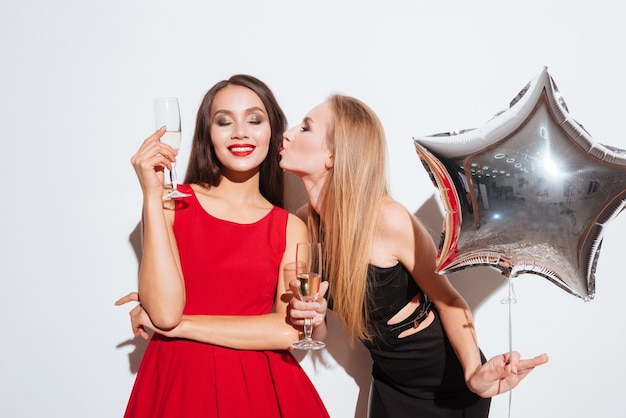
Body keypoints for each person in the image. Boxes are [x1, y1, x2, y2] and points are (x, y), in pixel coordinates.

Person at [281, 94, 549, 417]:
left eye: (305, 128)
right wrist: (310, 319)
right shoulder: (304, 226)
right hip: (390, 384)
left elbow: (449, 300)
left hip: (448, 386)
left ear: (332, 156)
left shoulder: (387, 219)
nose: (288, 133)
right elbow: (318, 331)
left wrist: (472, 374)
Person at [115, 74, 329, 418]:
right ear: (207, 135)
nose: (240, 132)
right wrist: (152, 196)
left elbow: (286, 330)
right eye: (224, 121)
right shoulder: (172, 203)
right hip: (180, 383)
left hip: (261, 389)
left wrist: (180, 327)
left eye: (254, 120)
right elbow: (165, 312)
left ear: (273, 132)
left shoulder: (290, 227)